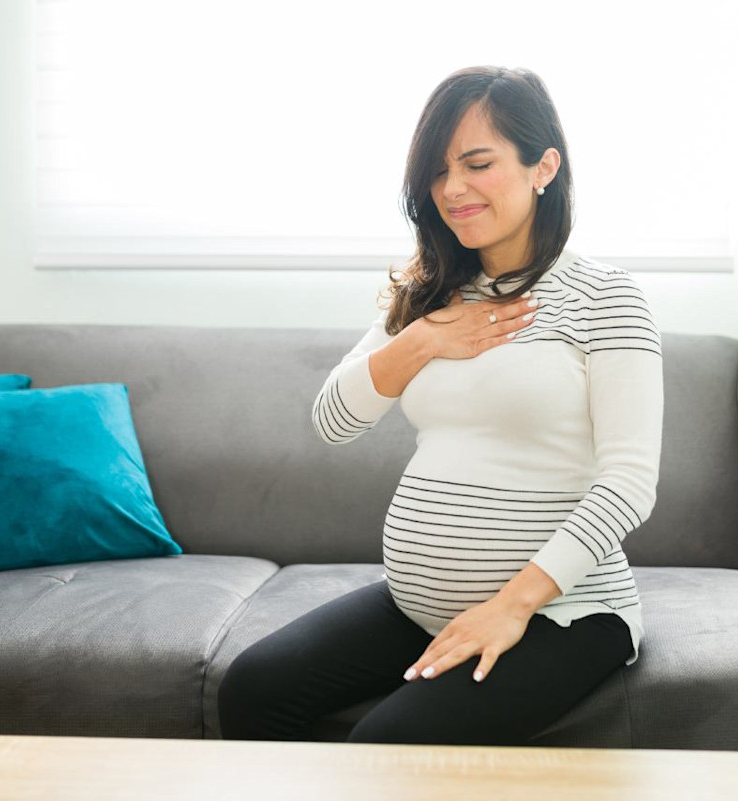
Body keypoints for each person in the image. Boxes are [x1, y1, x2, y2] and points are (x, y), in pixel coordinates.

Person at [218, 65, 664, 746]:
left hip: (563, 612)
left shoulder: (606, 298)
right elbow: (334, 419)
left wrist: (511, 607)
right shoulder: (431, 293)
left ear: (544, 166)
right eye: (437, 170)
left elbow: (629, 483)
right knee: (251, 690)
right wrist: (422, 337)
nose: (452, 188)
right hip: (420, 606)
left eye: (477, 163)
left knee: (382, 748)